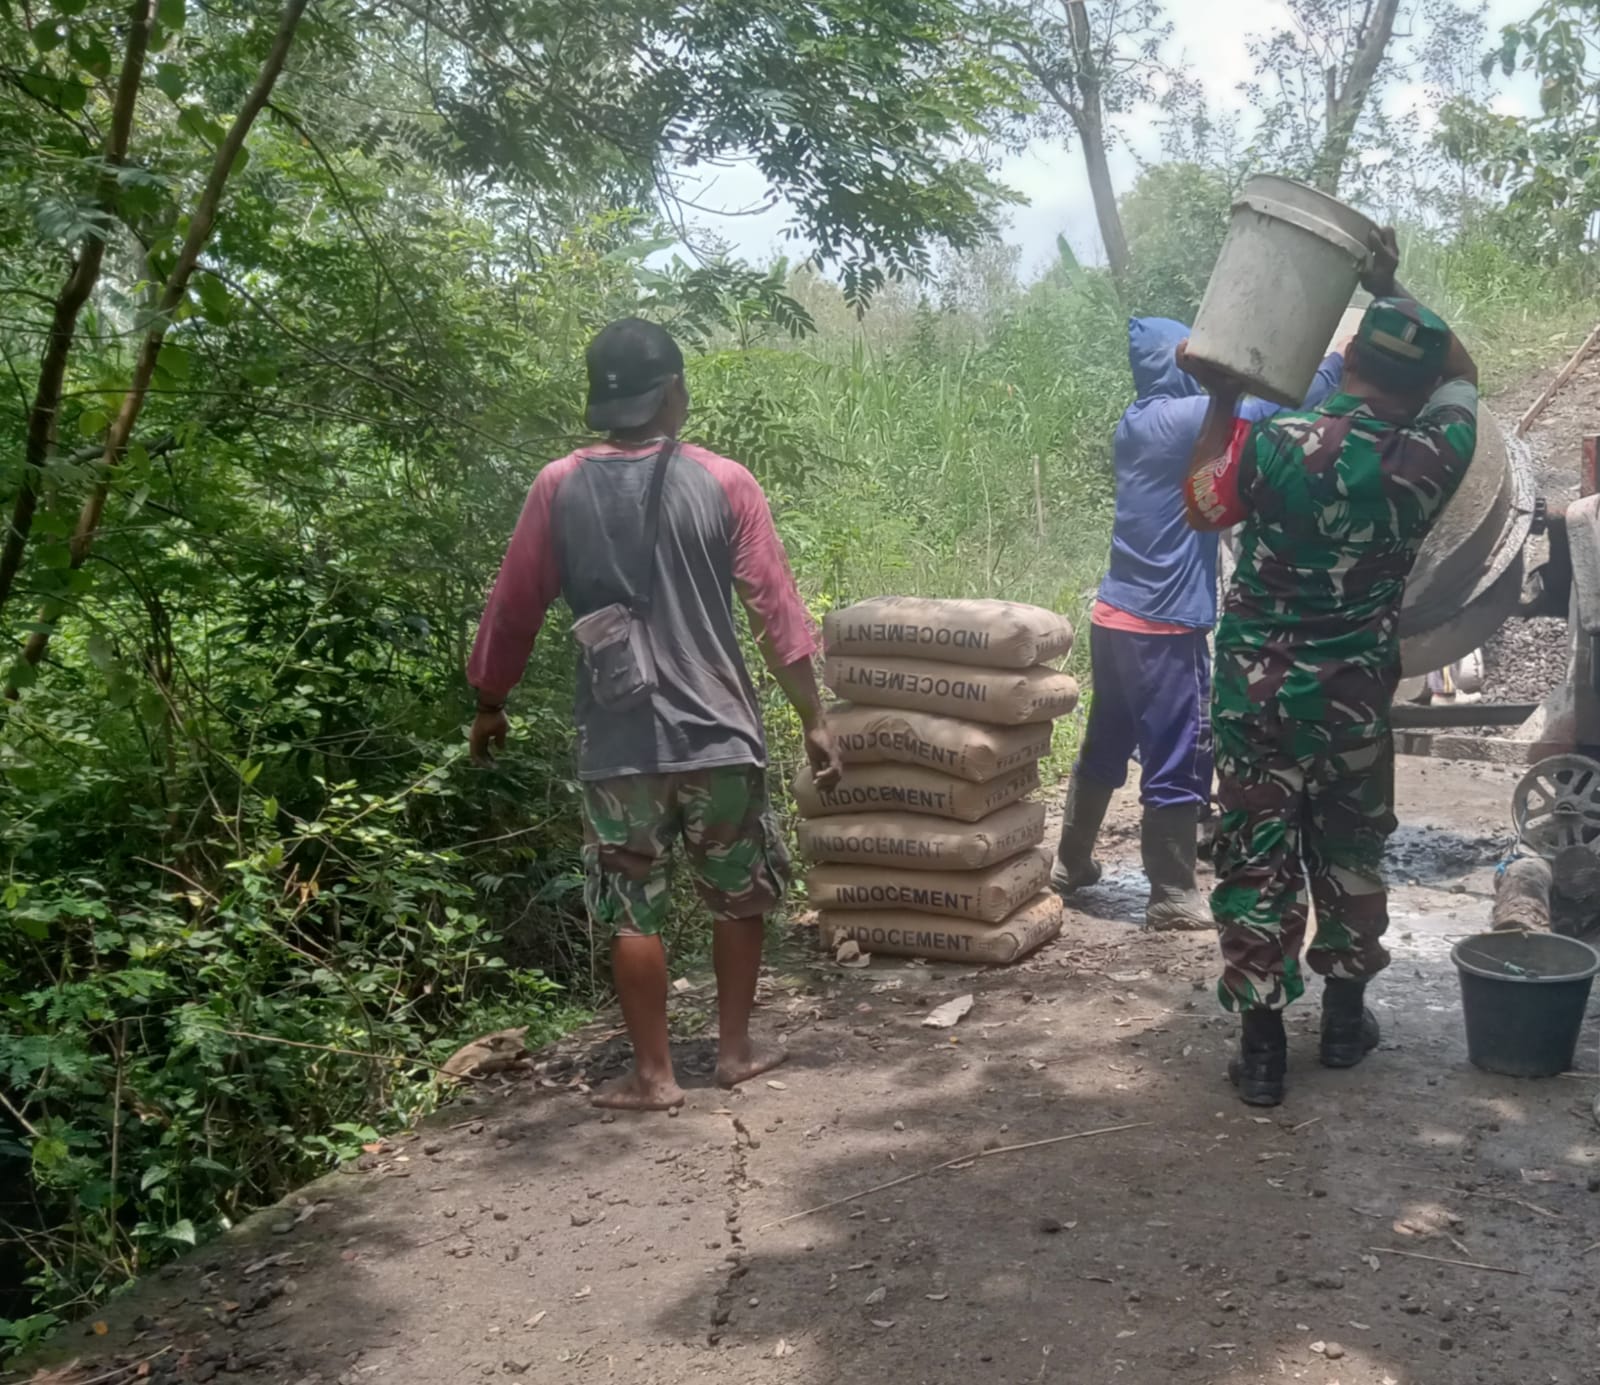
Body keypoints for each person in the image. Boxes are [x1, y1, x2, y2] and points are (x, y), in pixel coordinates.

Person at [467, 317, 842, 1112]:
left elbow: (513, 610)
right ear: (673, 389)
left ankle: (653, 1074)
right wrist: (812, 716)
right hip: (720, 729)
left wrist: (490, 701)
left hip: (619, 739)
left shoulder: (557, 485)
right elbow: (775, 609)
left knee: (630, 899)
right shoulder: (726, 481)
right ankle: (734, 1052)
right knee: (739, 889)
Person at [1179, 229, 1479, 1106]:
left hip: (1259, 700)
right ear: (1421, 388)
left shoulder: (1274, 446)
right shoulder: (1433, 455)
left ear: (1342, 357)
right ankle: (1345, 1023)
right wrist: (1397, 288)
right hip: (1353, 698)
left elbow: (1201, 503)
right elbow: (1464, 374)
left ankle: (1264, 1049)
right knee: (1349, 848)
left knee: (1256, 855)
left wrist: (1222, 398)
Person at [1051, 318, 1345, 931]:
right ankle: (1171, 892)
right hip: (1161, 626)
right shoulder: (1184, 422)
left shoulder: (1136, 421)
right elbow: (1279, 405)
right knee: (1176, 754)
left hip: (1114, 617)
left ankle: (1071, 863)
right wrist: (1338, 362)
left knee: (1106, 741)